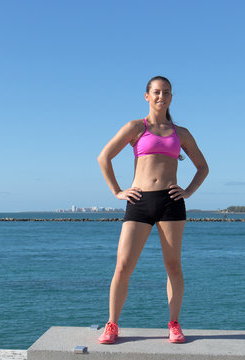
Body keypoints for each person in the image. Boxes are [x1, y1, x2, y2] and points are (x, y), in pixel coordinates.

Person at [96, 76, 208, 344]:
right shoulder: (136, 127)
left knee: (173, 266)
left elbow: (203, 167)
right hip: (139, 201)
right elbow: (104, 157)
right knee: (123, 266)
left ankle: (174, 324)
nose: (161, 96)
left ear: (171, 97)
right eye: (156, 92)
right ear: (146, 96)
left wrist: (189, 191)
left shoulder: (181, 133)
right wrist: (117, 191)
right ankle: (112, 324)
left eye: (166, 92)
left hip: (171, 202)